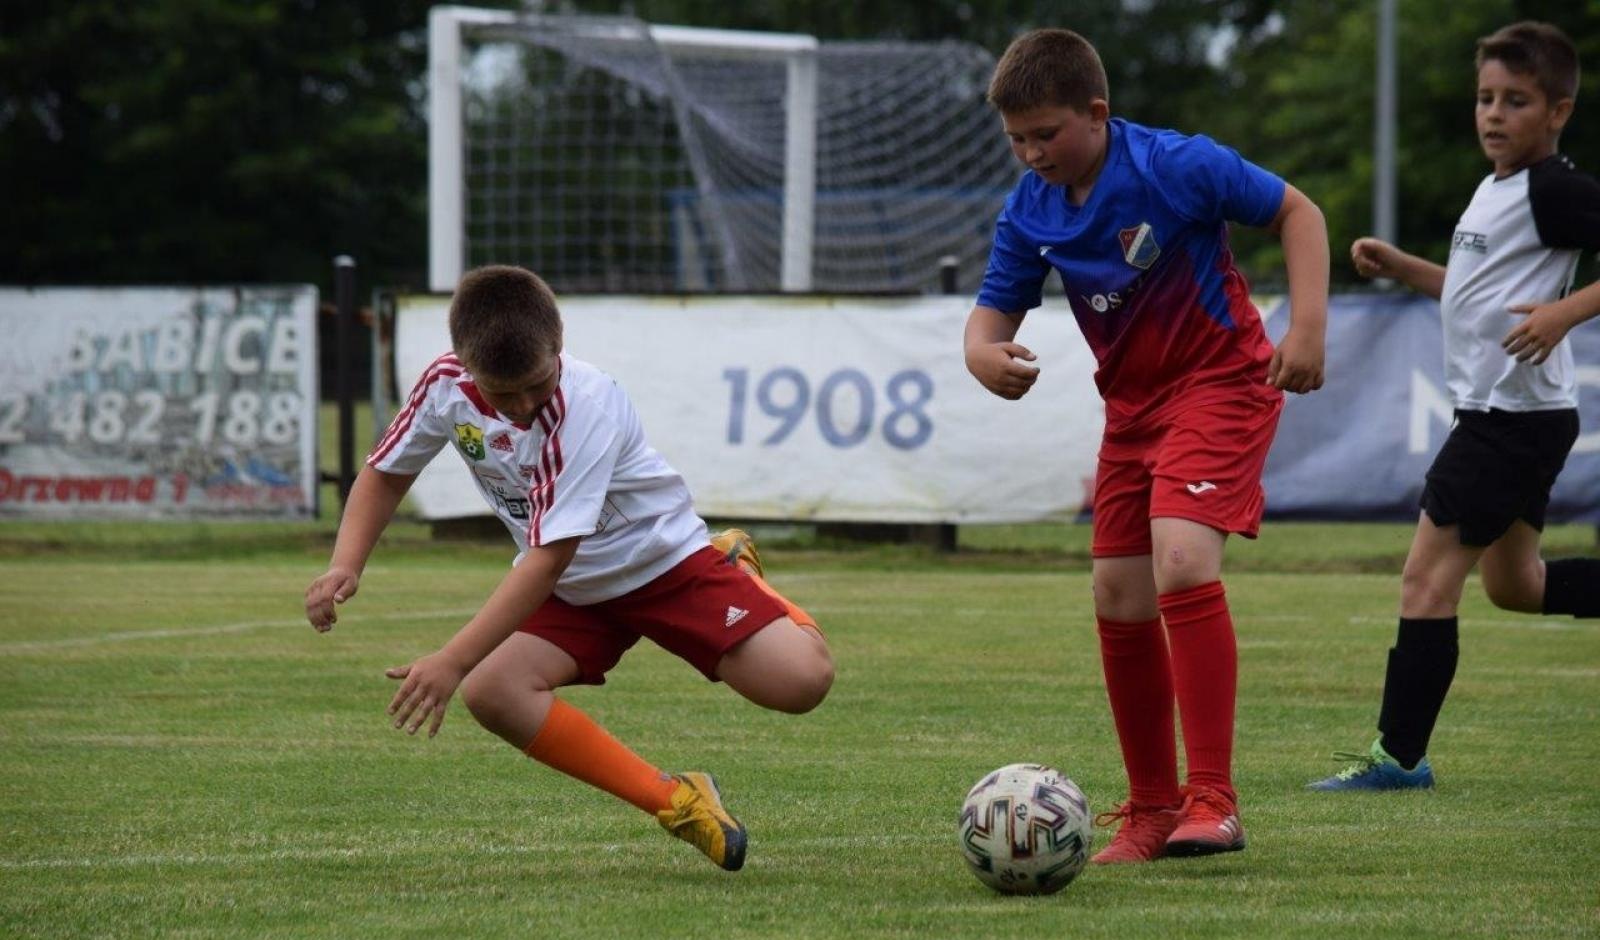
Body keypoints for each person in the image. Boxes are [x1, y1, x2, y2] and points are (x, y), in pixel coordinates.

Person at [304, 265, 834, 870]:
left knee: (803, 684)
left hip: (664, 564)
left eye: (537, 383)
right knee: (494, 692)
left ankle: (732, 565)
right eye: (506, 395)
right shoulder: (444, 385)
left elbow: (548, 558)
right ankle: (676, 800)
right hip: (575, 589)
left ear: (559, 342)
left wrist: (451, 659)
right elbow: (387, 470)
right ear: (468, 366)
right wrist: (346, 564)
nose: (526, 406)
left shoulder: (587, 404)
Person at [964, 29, 1329, 862]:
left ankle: (1215, 800)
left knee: (1182, 563)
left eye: (1045, 134)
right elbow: (991, 317)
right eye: (1016, 139)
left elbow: (1297, 210)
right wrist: (980, 354)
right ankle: (1154, 809)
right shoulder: (1030, 209)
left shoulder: (1175, 165)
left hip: (1222, 384)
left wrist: (1305, 328)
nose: (1030, 153)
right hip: (1130, 411)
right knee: (1116, 595)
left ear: (1096, 113)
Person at [1310, 22, 1600, 792]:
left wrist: (1567, 314)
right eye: (1484, 99)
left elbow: (1544, 304)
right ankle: (1401, 757)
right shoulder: (1497, 184)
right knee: (1517, 586)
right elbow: (1478, 296)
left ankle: (1399, 759)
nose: (1493, 115)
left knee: (1424, 582)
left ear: (1559, 111)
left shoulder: (1556, 189)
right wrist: (1404, 267)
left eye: (1516, 100)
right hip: (1516, 416)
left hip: (1507, 424)